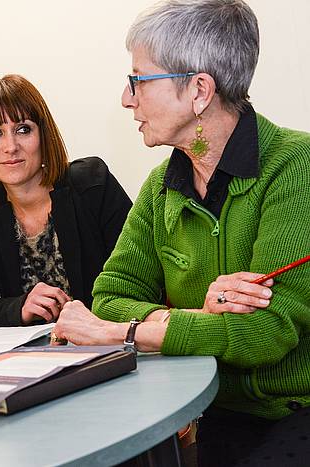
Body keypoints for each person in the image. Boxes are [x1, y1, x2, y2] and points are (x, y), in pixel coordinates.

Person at [52, 1, 310, 465]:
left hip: (294, 412)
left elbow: (264, 335)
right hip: (211, 412)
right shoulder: (159, 188)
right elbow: (110, 295)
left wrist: (123, 332)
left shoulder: (296, 167)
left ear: (198, 90)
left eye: (139, 80)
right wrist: (198, 317)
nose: (127, 99)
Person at [0, 74, 132, 329]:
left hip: (109, 340)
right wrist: (20, 307)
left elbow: (140, 278)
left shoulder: (92, 185)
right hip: (35, 359)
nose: (10, 146)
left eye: (23, 129)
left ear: (43, 135)